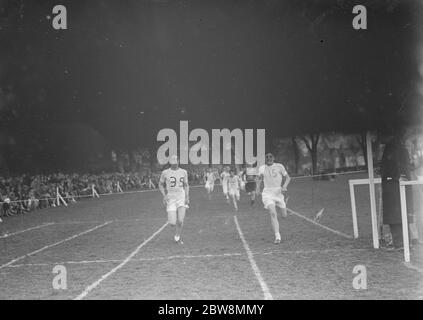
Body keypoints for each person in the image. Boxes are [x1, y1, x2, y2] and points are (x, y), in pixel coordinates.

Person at [381, 130, 414, 250]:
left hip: (394, 186)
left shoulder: (393, 148)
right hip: (394, 185)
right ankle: (403, 242)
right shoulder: (400, 148)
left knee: (396, 216)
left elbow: (398, 167)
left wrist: (395, 176)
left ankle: (400, 243)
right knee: (400, 215)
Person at [257, 153, 291, 244]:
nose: (269, 158)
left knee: (284, 215)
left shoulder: (279, 166)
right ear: (265, 159)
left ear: (274, 158)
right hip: (267, 193)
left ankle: (283, 204)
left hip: (278, 193)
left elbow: (288, 178)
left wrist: (284, 186)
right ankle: (277, 236)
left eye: (270, 157)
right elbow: (259, 179)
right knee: (272, 212)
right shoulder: (262, 168)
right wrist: (257, 188)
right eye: (267, 157)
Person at [159, 155, 189, 244]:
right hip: (171, 198)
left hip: (181, 197)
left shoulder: (184, 172)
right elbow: (160, 184)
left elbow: (186, 185)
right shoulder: (165, 172)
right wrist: (164, 195)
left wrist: (187, 196)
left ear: (178, 161)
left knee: (180, 220)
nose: (175, 163)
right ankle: (175, 230)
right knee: (172, 223)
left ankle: (177, 236)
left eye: (176, 161)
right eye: (173, 161)